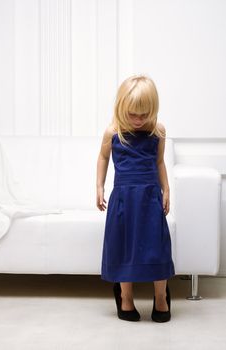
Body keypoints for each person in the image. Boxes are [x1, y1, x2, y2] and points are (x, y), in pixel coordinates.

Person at [96, 74, 175, 322]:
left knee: (157, 246)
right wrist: (99, 186)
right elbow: (103, 158)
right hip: (123, 199)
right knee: (123, 245)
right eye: (133, 114)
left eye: (145, 114)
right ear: (121, 108)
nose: (139, 120)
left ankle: (161, 297)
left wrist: (167, 190)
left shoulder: (157, 131)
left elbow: (159, 161)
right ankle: (125, 296)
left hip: (150, 197)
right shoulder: (113, 132)